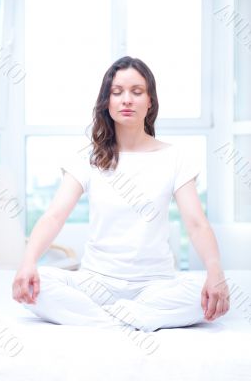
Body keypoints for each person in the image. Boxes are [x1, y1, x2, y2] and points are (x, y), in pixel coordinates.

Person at [12, 56, 230, 332]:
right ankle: (134, 319)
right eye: (117, 92)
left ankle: (103, 319)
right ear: (107, 102)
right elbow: (54, 216)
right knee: (36, 283)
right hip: (95, 282)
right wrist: (28, 262)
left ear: (150, 101)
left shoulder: (174, 157)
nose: (127, 99)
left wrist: (216, 273)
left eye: (137, 92)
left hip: (156, 284)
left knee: (207, 293)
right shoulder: (88, 158)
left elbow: (197, 224)